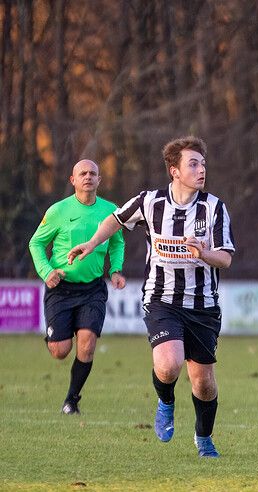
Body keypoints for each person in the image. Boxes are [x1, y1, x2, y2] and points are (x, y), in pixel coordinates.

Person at [67, 136, 235, 458]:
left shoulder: (214, 208)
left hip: (203, 307)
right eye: (193, 164)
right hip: (161, 299)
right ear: (174, 170)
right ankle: (166, 401)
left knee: (203, 382)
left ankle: (204, 439)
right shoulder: (149, 202)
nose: (202, 170)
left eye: (203, 164)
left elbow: (225, 259)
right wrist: (91, 244)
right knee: (169, 364)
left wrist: (205, 253)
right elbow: (114, 221)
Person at [28, 160, 126, 414]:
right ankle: (55, 335)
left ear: (100, 180)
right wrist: (46, 272)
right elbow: (35, 244)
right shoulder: (58, 211)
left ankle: (72, 400)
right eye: (82, 173)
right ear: (72, 180)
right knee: (60, 351)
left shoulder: (111, 210)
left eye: (93, 173)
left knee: (87, 344)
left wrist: (115, 269)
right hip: (61, 288)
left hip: (93, 289)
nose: (88, 177)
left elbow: (117, 243)